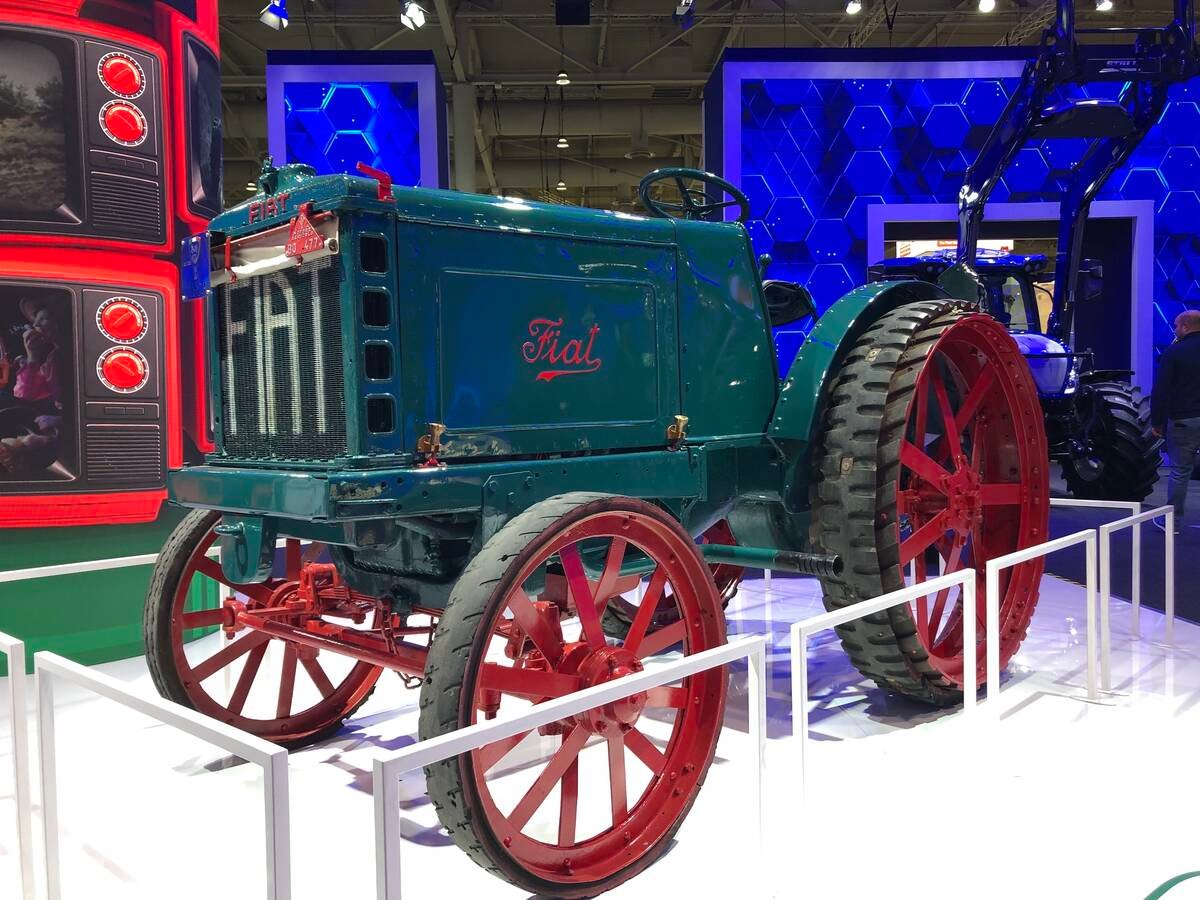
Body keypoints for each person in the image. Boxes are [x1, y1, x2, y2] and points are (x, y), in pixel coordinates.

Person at [1150, 309, 1200, 533]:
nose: (1175, 330)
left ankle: (1173, 523)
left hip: (1183, 419)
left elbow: (1161, 390)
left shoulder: (1175, 352)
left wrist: (1157, 421)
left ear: (1186, 326)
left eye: (1177, 326)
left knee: (1180, 471)